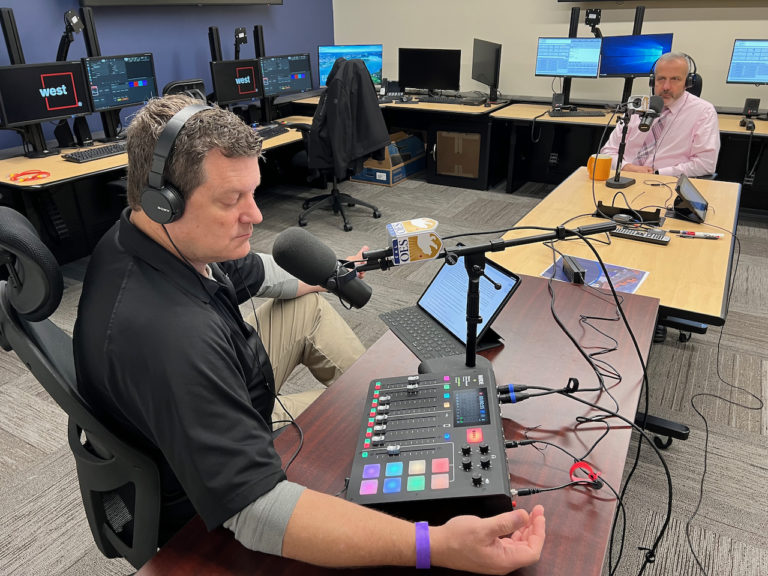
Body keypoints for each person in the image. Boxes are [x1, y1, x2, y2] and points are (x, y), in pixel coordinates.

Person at [73, 95, 546, 572]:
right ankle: (392, 425)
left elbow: (255, 271)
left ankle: (397, 416)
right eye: (231, 200)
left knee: (309, 309)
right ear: (164, 202)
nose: (256, 216)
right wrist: (434, 545)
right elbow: (257, 511)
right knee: (351, 424)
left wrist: (332, 272)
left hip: (208, 392)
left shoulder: (151, 237)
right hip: (198, 498)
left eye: (253, 193)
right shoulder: (171, 337)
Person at [601, 51, 720, 177]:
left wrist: (658, 173)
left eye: (675, 79)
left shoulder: (703, 112)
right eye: (661, 79)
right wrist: (626, 167)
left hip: (665, 182)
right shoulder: (638, 106)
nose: (666, 87)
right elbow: (607, 152)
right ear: (653, 81)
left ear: (687, 83)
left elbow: (705, 164)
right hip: (624, 177)